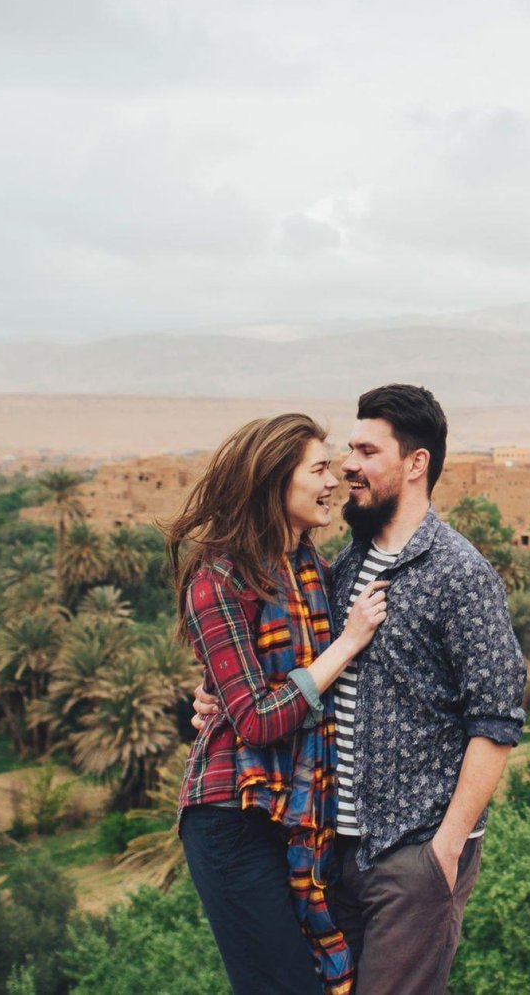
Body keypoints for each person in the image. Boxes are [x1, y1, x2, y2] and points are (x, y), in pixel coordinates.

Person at [195, 385, 526, 993]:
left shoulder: (460, 574)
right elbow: (279, 667)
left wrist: (446, 849)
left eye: (367, 451)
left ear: (416, 463)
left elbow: (497, 722)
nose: (349, 465)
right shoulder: (341, 566)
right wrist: (217, 696)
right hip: (330, 852)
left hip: (412, 850)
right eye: (346, 450)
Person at [168, 413, 390, 995]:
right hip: (231, 818)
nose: (333, 482)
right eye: (317, 469)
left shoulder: (311, 571)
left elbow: (253, 695)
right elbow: (258, 720)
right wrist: (346, 644)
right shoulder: (216, 581)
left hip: (297, 814)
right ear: (274, 482)